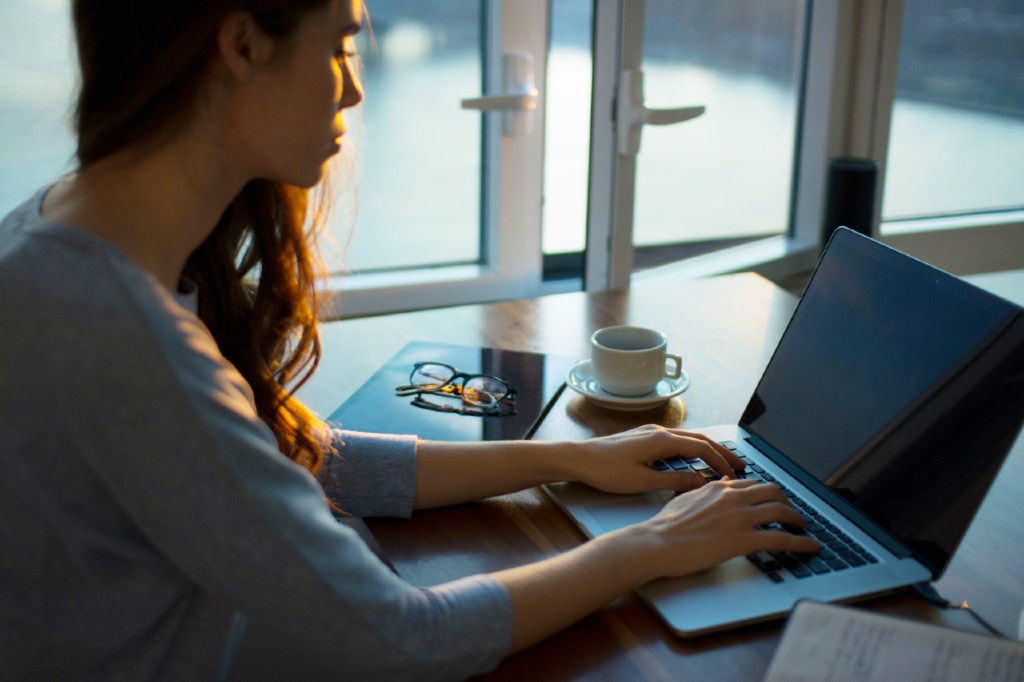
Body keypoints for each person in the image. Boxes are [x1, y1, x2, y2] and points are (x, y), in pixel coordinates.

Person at [0, 0, 819, 678]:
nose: (353, 90)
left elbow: (277, 457)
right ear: (243, 42)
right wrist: (650, 546)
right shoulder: (125, 338)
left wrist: (563, 460)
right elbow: (404, 639)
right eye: (342, 43)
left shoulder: (56, 233)